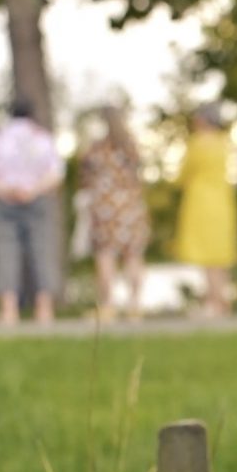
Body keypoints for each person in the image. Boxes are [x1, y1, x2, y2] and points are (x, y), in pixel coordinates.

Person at [0, 99, 64, 325]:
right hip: (37, 199)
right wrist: (33, 190)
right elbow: (56, 172)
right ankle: (44, 310)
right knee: (42, 250)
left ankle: (8, 310)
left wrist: (5, 189)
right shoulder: (42, 138)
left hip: (4, 201)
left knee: (6, 252)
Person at [79, 105, 150, 323]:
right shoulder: (131, 147)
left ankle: (108, 306)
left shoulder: (96, 149)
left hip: (105, 208)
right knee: (133, 255)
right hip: (130, 205)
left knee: (105, 255)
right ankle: (135, 306)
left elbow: (84, 175)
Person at [174, 103, 237, 317]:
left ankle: (213, 303)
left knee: (207, 256)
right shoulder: (224, 142)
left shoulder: (197, 143)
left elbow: (183, 174)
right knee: (220, 256)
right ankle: (221, 301)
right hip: (223, 202)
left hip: (201, 202)